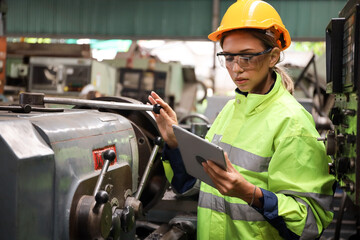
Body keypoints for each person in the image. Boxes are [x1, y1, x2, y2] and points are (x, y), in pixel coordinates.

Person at [148, 0, 335, 239]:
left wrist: (251, 194)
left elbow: (309, 222)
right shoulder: (229, 111)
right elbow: (199, 187)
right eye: (228, 57)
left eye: (247, 57)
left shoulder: (292, 123)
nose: (236, 68)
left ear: (273, 57)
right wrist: (174, 142)